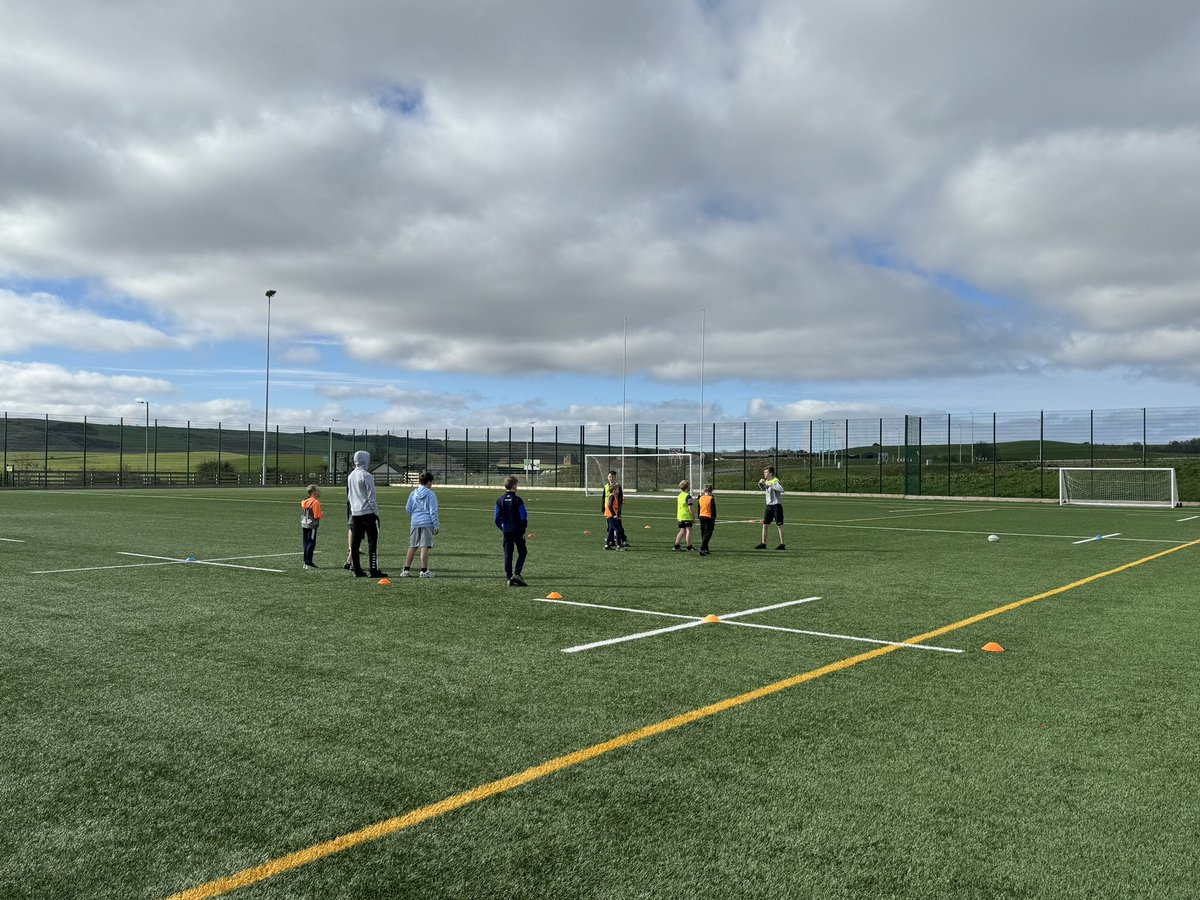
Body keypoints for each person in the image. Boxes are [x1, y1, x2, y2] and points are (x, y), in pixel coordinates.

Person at [347, 450, 387, 578]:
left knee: (355, 543)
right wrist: (376, 513)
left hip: (355, 513)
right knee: (372, 542)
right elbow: (371, 497)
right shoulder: (367, 475)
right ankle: (373, 569)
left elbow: (349, 496)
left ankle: (357, 569)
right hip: (368, 514)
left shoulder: (351, 475)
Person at [402, 471, 439, 577]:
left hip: (415, 522)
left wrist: (414, 517)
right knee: (424, 546)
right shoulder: (431, 494)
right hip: (426, 523)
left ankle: (406, 570)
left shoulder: (413, 493)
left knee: (412, 546)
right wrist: (436, 525)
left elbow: (408, 508)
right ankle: (423, 571)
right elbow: (433, 511)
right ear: (429, 482)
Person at [494, 475, 529, 586]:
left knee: (508, 554)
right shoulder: (518, 500)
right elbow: (523, 516)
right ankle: (517, 574)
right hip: (518, 531)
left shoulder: (500, 500)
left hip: (506, 531)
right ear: (514, 486)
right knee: (522, 552)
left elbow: (496, 518)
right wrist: (523, 527)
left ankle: (509, 578)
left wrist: (502, 528)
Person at [755, 466, 785, 550]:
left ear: (771, 473)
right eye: (764, 472)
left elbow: (782, 489)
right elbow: (764, 489)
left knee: (779, 525)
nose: (765, 474)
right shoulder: (766, 481)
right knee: (765, 525)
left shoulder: (775, 480)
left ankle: (782, 544)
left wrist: (771, 484)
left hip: (776, 506)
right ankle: (763, 543)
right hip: (768, 506)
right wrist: (760, 484)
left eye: (766, 472)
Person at [604, 470, 629, 550]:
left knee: (611, 529)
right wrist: (614, 515)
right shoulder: (612, 496)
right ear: (614, 491)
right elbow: (610, 505)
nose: (619, 491)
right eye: (618, 490)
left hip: (611, 515)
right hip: (611, 516)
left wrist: (617, 513)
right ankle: (619, 546)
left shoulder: (614, 497)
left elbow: (614, 506)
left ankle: (607, 545)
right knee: (617, 529)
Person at [300, 484, 323, 570]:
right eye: (318, 491)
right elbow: (317, 516)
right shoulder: (315, 502)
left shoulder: (305, 501)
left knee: (306, 543)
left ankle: (305, 562)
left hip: (304, 523)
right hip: (312, 525)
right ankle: (308, 562)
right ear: (313, 492)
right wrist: (321, 515)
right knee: (311, 543)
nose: (319, 492)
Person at [674, 479, 695, 551]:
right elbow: (690, 508)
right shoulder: (688, 497)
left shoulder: (679, 495)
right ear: (687, 487)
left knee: (682, 531)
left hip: (680, 516)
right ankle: (689, 547)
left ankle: (676, 545)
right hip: (687, 516)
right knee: (688, 531)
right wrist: (693, 517)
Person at [697, 484, 716, 556]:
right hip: (708, 517)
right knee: (708, 534)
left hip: (701, 516)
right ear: (711, 491)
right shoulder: (711, 499)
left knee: (703, 533)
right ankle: (702, 549)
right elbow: (713, 510)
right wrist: (713, 518)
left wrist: (699, 516)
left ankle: (706, 548)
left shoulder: (700, 498)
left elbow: (699, 508)